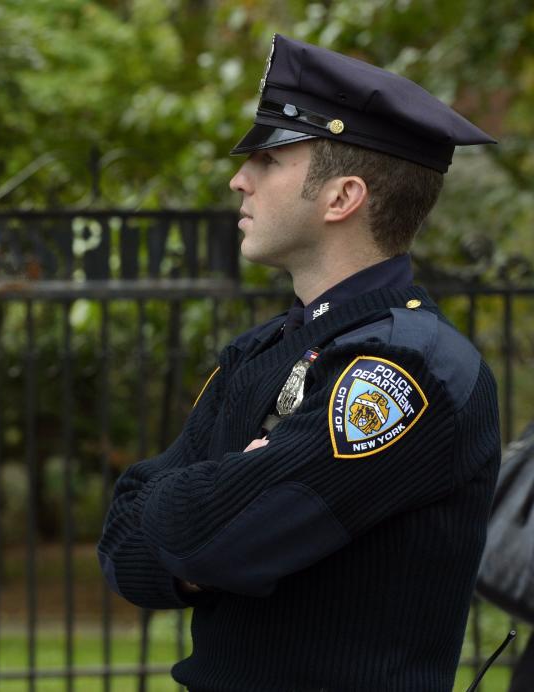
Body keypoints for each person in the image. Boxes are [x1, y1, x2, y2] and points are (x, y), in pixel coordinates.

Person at [97, 34, 501, 691]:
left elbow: (209, 538)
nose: (239, 178)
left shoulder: (407, 371)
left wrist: (205, 507)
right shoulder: (260, 349)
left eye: (267, 157)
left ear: (341, 197)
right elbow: (123, 546)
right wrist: (229, 492)